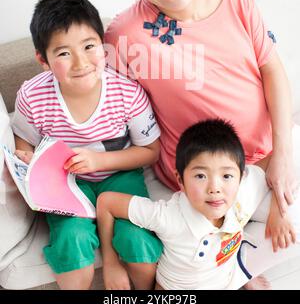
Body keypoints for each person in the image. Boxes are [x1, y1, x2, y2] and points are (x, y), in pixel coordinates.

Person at [104, 0, 300, 289]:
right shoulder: (125, 34)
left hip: (265, 154)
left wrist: (283, 156)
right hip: (201, 177)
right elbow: (110, 107)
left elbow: (272, 68)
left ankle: (238, 266)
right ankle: (231, 270)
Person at [11, 0, 163, 290]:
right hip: (65, 185)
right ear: (43, 60)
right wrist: (25, 158)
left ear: (103, 45)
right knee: (71, 238)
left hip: (119, 175)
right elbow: (23, 141)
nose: (80, 63)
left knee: (136, 238)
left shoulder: (126, 92)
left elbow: (150, 151)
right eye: (64, 53)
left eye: (89, 46)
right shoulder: (32, 95)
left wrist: (99, 160)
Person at [97, 119, 299, 290]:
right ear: (180, 180)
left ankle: (245, 275)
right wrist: (111, 263)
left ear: (240, 175)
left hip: (224, 279)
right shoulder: (168, 216)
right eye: (200, 176)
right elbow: (106, 201)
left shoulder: (244, 189)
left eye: (227, 175)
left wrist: (277, 210)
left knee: (291, 228)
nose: (215, 188)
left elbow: (273, 161)